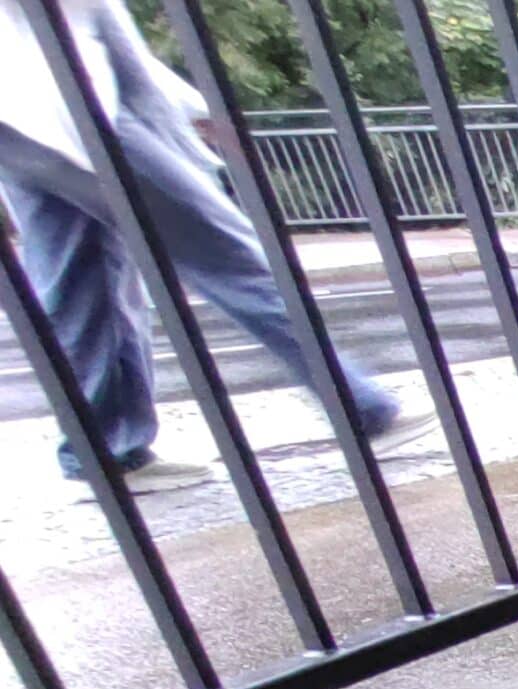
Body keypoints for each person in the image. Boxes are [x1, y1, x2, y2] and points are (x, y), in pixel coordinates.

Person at [0, 0, 428, 494]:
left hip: (21, 120)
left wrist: (186, 106)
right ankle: (363, 410)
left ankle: (105, 452)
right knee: (233, 259)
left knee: (81, 283)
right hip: (75, 111)